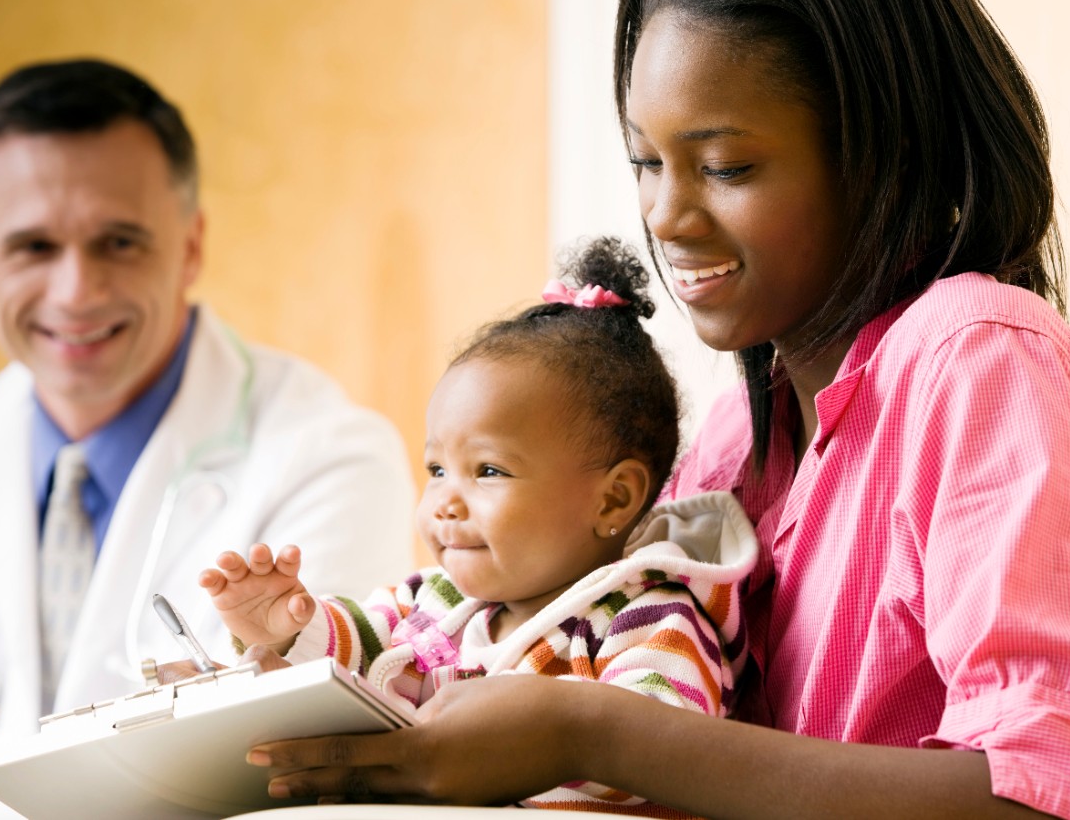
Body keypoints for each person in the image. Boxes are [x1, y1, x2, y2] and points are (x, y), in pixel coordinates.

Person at [239, 0, 1070, 817]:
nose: (663, 215)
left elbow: (1056, 791)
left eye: (727, 166)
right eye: (645, 161)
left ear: (884, 154)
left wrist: (593, 734)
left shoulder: (983, 363)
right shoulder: (739, 436)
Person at [0, 58, 415, 820]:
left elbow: (263, 780)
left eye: (118, 242)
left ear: (190, 246)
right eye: (33, 247)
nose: (76, 291)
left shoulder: (333, 459)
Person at [201, 237, 758, 815]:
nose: (444, 500)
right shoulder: (435, 601)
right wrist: (288, 628)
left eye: (487, 471)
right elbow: (357, 646)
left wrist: (543, 735)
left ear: (614, 500)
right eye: (437, 469)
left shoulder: (648, 618)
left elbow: (658, 751)